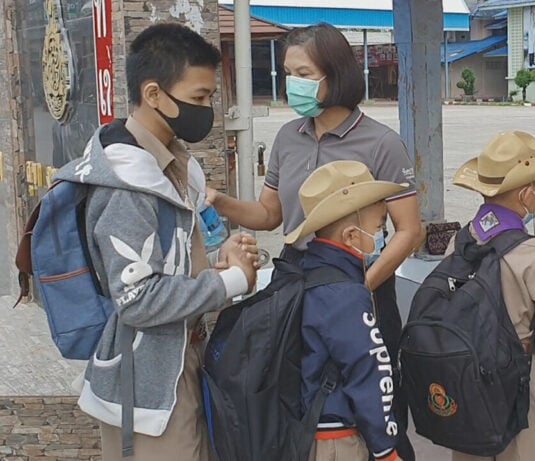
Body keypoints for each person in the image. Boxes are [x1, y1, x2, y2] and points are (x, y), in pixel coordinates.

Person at [207, 22, 422, 460]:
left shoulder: (381, 143)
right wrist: (221, 202)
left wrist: (359, 289)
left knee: (372, 394)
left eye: (303, 73)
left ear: (334, 74)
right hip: (298, 287)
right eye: (288, 72)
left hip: (359, 287)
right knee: (303, 396)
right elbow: (270, 215)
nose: (292, 84)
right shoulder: (289, 137)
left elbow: (409, 231)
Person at [61, 23, 259, 460]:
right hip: (146, 381)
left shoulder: (172, 165)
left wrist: (221, 262)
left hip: (179, 362)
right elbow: (137, 298)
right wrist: (229, 283)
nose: (207, 110)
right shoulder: (126, 183)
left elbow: (176, 264)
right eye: (198, 98)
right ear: (153, 94)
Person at [449, 131, 535, 461]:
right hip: (519, 371)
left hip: (468, 370)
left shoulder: (460, 241)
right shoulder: (532, 251)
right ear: (525, 194)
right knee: (530, 448)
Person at [285, 160, 407, 461]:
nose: (382, 237)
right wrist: (385, 447)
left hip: (311, 425)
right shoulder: (346, 295)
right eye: (379, 226)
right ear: (352, 236)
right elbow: (370, 370)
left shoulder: (305, 271)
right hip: (339, 439)